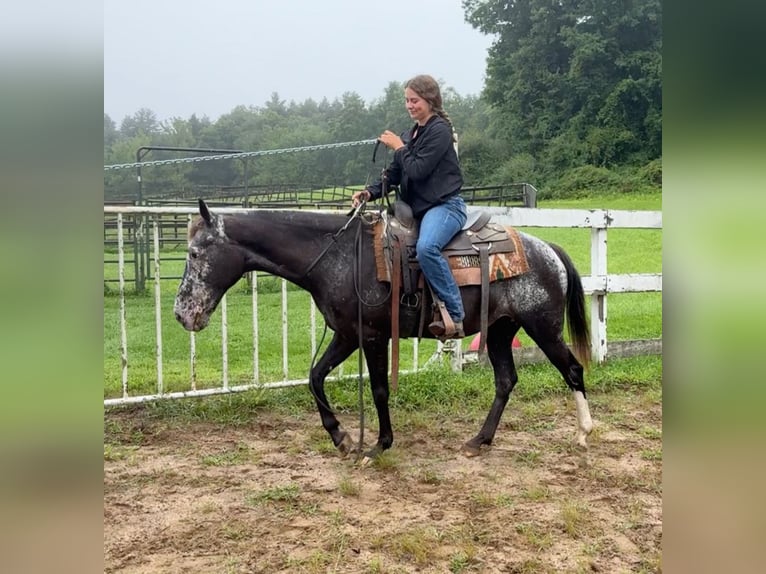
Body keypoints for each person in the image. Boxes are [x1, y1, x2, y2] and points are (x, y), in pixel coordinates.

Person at [352, 74, 467, 339]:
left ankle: (455, 313)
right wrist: (369, 192)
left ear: (429, 100)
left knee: (427, 249)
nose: (409, 105)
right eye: (406, 100)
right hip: (415, 210)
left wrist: (399, 147)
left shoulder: (439, 131)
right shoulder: (411, 133)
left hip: (445, 206)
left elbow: (417, 170)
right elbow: (394, 175)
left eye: (414, 100)